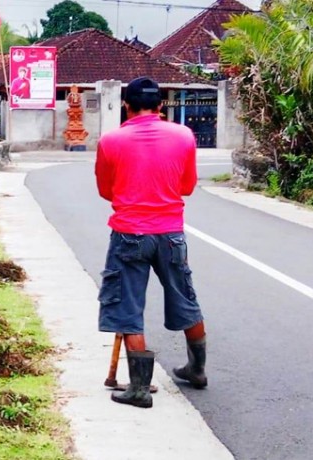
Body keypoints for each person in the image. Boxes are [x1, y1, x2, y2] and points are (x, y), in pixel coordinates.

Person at [95, 76, 207, 409]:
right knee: (184, 297)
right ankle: (197, 369)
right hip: (171, 234)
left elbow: (106, 191)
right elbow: (186, 187)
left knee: (128, 306)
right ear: (161, 106)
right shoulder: (184, 135)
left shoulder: (112, 140)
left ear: (126, 107)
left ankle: (139, 387)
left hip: (129, 233)